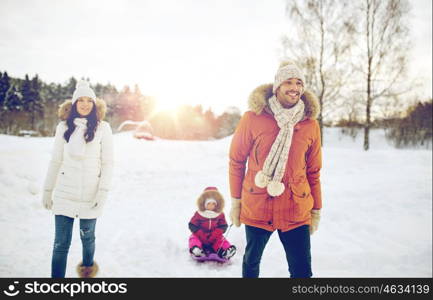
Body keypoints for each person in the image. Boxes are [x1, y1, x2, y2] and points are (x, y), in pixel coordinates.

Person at [228, 60, 322, 278]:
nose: (295, 88)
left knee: (302, 272)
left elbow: (314, 171)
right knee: (251, 264)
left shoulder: (310, 124)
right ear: (277, 87)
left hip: (296, 207)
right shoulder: (253, 117)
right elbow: (236, 161)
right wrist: (236, 202)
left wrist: (316, 209)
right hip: (258, 204)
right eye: (288, 82)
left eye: (299, 83)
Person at [42, 80, 114, 278]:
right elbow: (56, 161)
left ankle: (87, 270)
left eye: (88, 100)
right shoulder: (63, 127)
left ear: (94, 104)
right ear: (73, 104)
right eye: (80, 100)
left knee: (88, 238)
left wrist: (103, 191)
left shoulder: (103, 128)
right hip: (65, 193)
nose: (84, 104)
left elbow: (108, 163)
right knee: (60, 244)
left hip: (91, 194)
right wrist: (48, 190)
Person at [188, 187, 236, 259]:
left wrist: (216, 233)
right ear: (204, 204)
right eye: (209, 203)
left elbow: (223, 226)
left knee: (221, 240)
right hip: (200, 236)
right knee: (193, 238)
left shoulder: (220, 214)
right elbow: (192, 225)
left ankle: (225, 251)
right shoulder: (199, 214)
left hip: (214, 237)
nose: (211, 206)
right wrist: (200, 233)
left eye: (213, 204)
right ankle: (196, 249)